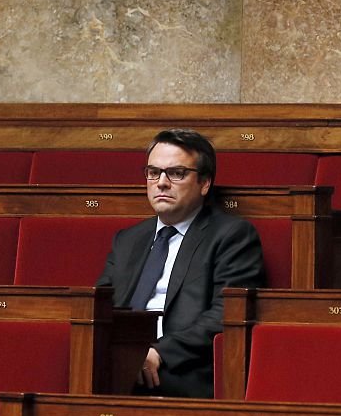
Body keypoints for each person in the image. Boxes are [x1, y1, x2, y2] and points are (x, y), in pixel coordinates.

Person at [97, 129, 265, 398]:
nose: (161, 183)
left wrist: (158, 352)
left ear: (205, 183)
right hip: (120, 363)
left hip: (182, 369)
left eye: (176, 173)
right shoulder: (128, 239)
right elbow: (100, 306)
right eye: (153, 172)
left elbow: (226, 314)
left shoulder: (232, 236)